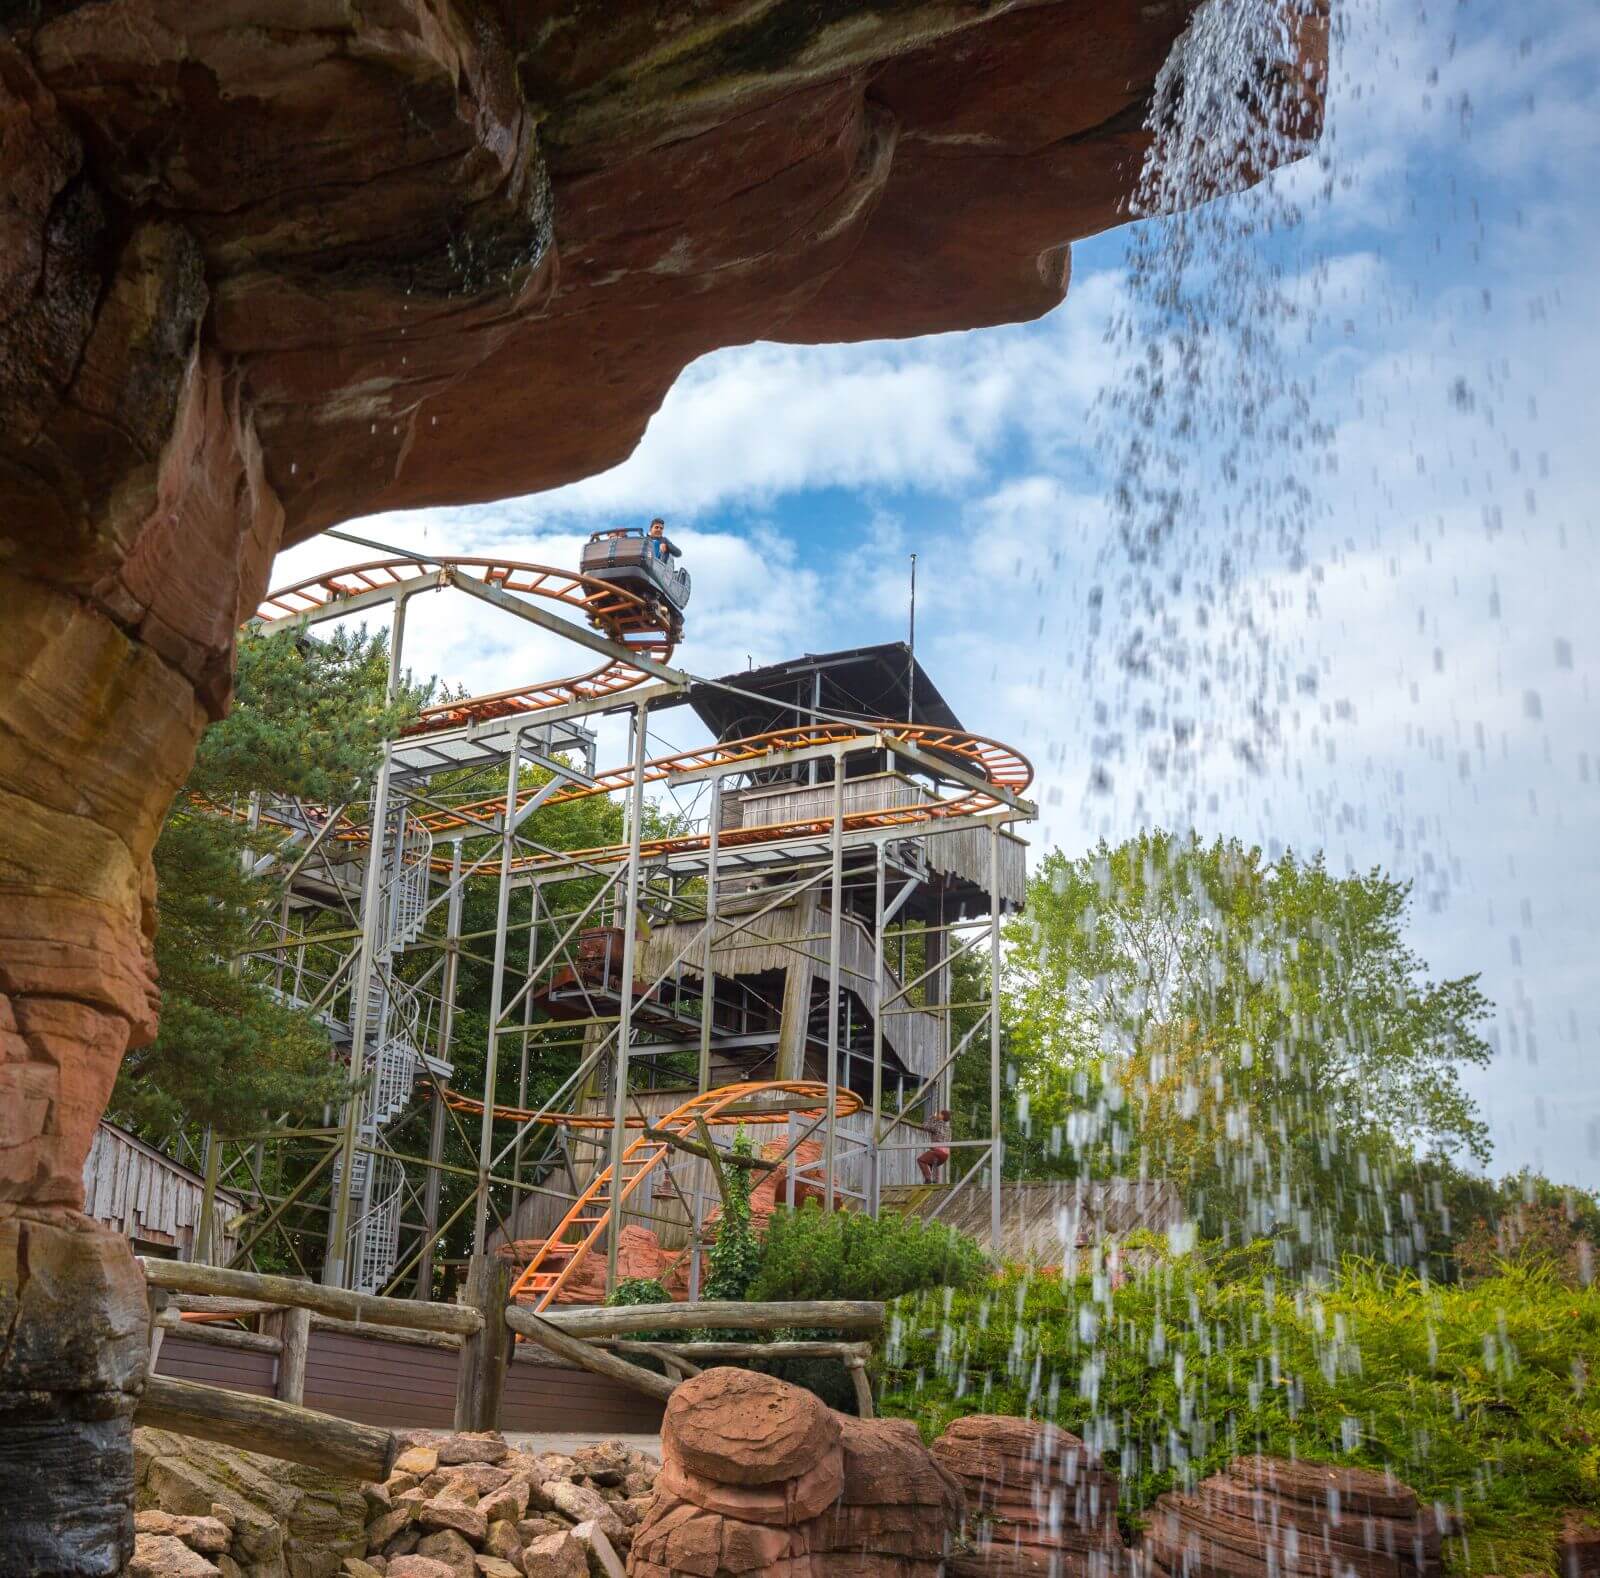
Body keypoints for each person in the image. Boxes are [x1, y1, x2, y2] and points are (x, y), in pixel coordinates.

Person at [917, 1108, 952, 1184]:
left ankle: (928, 1179)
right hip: (945, 1154)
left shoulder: (938, 1124)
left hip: (938, 1151)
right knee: (930, 1163)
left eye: (939, 1113)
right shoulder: (948, 1129)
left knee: (921, 1160)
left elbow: (924, 1126)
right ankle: (935, 1179)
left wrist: (932, 1117)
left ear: (942, 1116)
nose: (937, 1114)